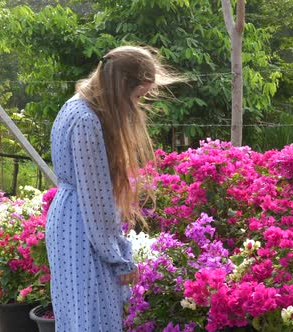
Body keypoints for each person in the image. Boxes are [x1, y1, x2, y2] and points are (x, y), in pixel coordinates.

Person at [45, 46, 181, 331]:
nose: (136, 105)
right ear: (123, 88)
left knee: (76, 316)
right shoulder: (86, 121)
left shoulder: (74, 106)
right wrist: (119, 260)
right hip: (82, 231)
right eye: (138, 96)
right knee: (93, 318)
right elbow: (96, 202)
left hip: (68, 221)